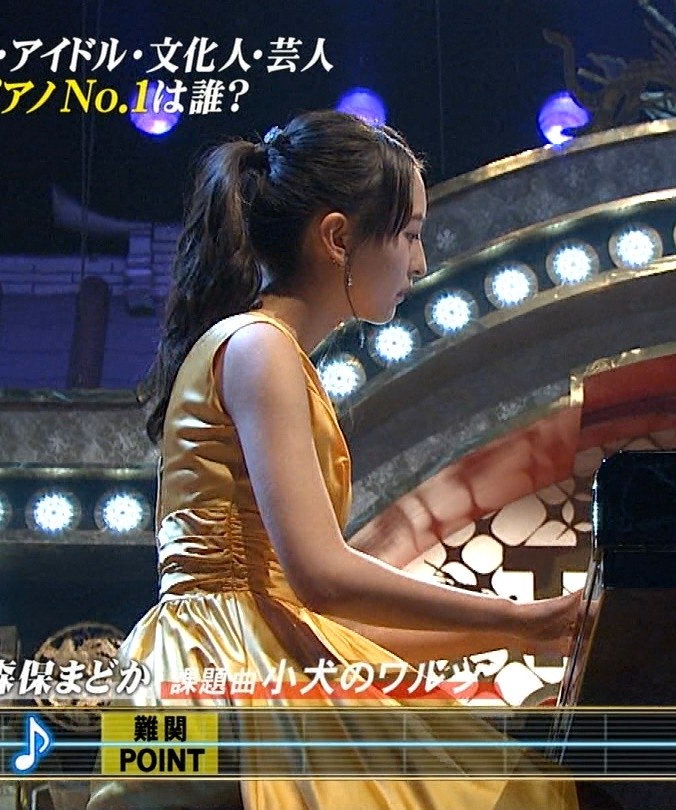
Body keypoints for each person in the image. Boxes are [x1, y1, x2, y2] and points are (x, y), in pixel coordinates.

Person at [86, 110, 582, 810]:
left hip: (217, 660)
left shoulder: (263, 349)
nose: (419, 263)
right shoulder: (259, 347)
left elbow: (319, 615)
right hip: (218, 675)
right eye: (410, 234)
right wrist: (513, 618)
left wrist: (523, 631)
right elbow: (322, 578)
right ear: (338, 237)